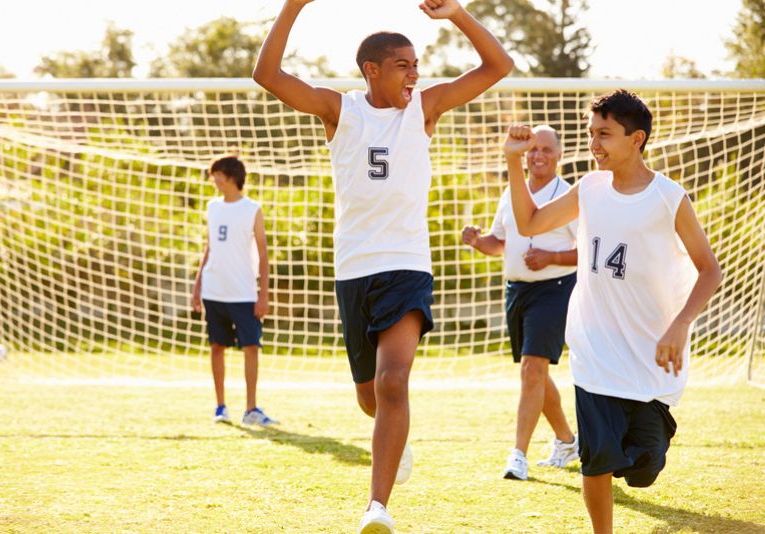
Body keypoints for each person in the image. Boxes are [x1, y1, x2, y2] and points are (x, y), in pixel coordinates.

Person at [253, 0, 513, 531]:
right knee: (371, 398)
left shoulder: (426, 109)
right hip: (353, 269)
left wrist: (457, 15)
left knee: (394, 384)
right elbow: (267, 74)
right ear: (371, 70)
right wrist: (293, 6)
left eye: (417, 65)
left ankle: (377, 507)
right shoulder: (339, 110)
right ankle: (396, 441)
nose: (415, 74)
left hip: (407, 265)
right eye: (403, 65)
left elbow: (497, 67)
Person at [503, 90, 722, 533]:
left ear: (636, 138)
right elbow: (528, 224)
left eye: (604, 134)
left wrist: (679, 325)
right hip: (593, 351)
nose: (593, 144)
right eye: (590, 134)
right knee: (597, 458)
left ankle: (645, 440)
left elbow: (710, 271)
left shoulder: (668, 197)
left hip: (648, 356)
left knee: (643, 467)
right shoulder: (590, 187)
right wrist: (513, 161)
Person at [461, 124, 579, 481]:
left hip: (555, 288)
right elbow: (499, 242)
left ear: (559, 155)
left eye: (546, 149)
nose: (538, 155)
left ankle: (518, 456)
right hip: (517, 291)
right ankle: (567, 440)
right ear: (523, 155)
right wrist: (477, 241)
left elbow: (587, 251)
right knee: (534, 373)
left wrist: (550, 257)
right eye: (532, 149)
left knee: (532, 368)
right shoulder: (510, 193)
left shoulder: (569, 196)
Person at [191, 155, 278, 428]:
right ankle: (221, 406)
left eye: (217, 174)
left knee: (250, 347)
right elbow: (209, 248)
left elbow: (263, 254)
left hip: (243, 292)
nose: (213, 179)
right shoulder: (212, 207)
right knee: (217, 347)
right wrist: (197, 286)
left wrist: (263, 294)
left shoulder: (252, 209)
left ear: (230, 177)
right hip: (215, 290)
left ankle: (251, 408)